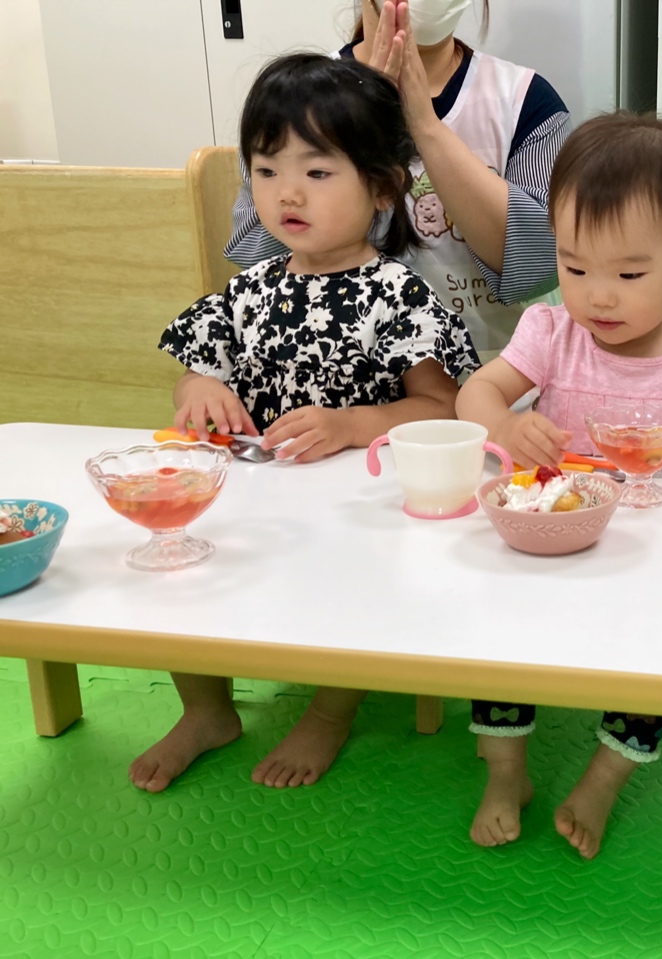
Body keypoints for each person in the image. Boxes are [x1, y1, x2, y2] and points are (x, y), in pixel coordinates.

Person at [133, 53, 479, 794]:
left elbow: (442, 409)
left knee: (356, 588)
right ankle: (207, 709)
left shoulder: (397, 293)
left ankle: (327, 711)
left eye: (317, 172)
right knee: (175, 556)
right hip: (254, 498)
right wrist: (199, 389)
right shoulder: (249, 289)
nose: (287, 192)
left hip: (352, 509)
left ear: (382, 187)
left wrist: (353, 424)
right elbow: (193, 371)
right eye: (266, 170)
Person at [456, 112, 662, 859]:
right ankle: (506, 771)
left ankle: (606, 777)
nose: (597, 297)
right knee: (496, 634)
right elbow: (475, 395)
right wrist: (506, 426)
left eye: (629, 274)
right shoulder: (550, 332)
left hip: (659, 563)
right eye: (575, 268)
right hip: (553, 547)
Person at [226, 0, 570, 360]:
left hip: (495, 375)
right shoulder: (296, 98)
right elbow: (256, 258)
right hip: (335, 370)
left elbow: (541, 269)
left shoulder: (525, 99)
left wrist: (426, 126)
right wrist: (357, 121)